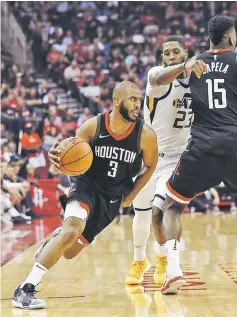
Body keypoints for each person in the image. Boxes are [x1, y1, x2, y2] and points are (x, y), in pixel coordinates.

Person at [12, 81, 158, 309]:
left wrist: (132, 195)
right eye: (133, 100)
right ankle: (25, 289)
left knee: (69, 251)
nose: (137, 105)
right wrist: (57, 157)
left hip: (112, 197)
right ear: (117, 101)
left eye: (139, 100)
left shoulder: (145, 134)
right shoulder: (93, 126)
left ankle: (56, 239)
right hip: (86, 186)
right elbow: (69, 155)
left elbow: (151, 165)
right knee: (71, 230)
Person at [155, 15, 237, 294]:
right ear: (231, 37)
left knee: (173, 206)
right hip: (234, 141)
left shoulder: (192, 65)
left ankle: (174, 272)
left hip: (202, 145)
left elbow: (158, 77)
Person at [125, 35, 206, 286]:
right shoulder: (157, 76)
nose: (170, 56)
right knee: (140, 214)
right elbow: (159, 78)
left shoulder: (198, 84)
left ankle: (165, 260)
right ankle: (140, 260)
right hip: (147, 158)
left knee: (161, 213)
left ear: (186, 51)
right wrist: (184, 66)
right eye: (166, 53)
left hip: (175, 161)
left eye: (175, 52)